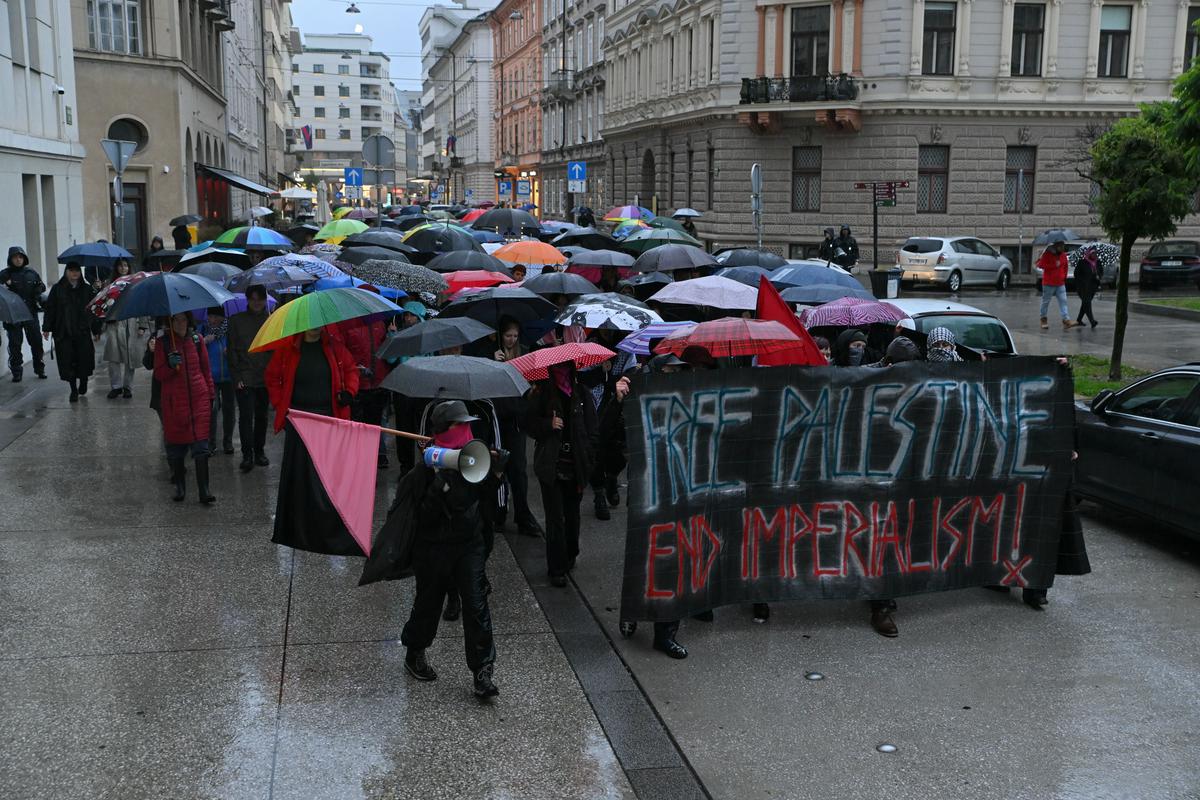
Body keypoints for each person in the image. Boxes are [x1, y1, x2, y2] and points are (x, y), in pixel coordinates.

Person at [399, 400, 501, 699]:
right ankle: (415, 650)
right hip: (434, 547)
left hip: (469, 543)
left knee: (476, 604)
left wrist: (495, 474)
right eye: (460, 425)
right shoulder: (426, 467)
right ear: (445, 430)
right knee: (428, 603)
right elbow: (424, 514)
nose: (467, 430)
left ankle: (483, 671)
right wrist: (439, 483)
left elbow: (485, 502)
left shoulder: (473, 457)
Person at [266, 325, 361, 555]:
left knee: (326, 473)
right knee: (300, 472)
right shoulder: (288, 349)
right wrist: (281, 406)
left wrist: (349, 390)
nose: (315, 327)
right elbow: (272, 377)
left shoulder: (335, 347)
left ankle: (325, 519)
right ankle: (301, 520)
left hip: (328, 417)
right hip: (299, 419)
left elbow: (351, 370)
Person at [525, 361, 599, 587]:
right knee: (555, 518)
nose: (562, 372)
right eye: (557, 368)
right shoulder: (542, 393)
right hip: (552, 465)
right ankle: (556, 567)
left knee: (572, 515)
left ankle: (570, 552)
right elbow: (528, 424)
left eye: (566, 368)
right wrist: (548, 424)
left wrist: (589, 459)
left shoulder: (582, 393)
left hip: (575, 465)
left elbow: (593, 430)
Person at [154, 312, 216, 504]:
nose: (180, 323)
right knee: (177, 447)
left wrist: (211, 394)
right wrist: (171, 366)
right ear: (169, 322)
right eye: (175, 320)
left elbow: (206, 369)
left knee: (201, 446)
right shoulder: (163, 343)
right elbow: (159, 374)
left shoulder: (196, 340)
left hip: (199, 399)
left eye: (183, 319)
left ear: (189, 321)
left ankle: (204, 490)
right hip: (175, 402)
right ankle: (180, 487)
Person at [492, 318, 541, 537]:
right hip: (498, 420)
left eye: (514, 335)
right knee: (498, 468)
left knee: (519, 471)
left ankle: (523, 515)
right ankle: (499, 512)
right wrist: (494, 364)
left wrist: (532, 391)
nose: (511, 340)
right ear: (500, 335)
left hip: (517, 421)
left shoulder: (524, 356)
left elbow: (527, 391)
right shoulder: (492, 355)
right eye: (507, 335)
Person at [227, 286, 273, 472]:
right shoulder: (236, 321)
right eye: (253, 298)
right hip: (244, 377)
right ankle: (247, 455)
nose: (256, 302)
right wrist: (237, 376)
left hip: (265, 377)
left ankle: (259, 451)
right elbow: (231, 351)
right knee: (246, 417)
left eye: (260, 299)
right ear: (247, 299)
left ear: (264, 300)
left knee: (262, 416)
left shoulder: (271, 320)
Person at [42, 262, 99, 402]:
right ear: (66, 272)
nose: (75, 274)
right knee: (67, 361)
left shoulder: (86, 289)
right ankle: (73, 389)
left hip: (82, 331)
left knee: (83, 359)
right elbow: (51, 309)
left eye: (77, 271)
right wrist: (46, 328)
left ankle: (84, 380)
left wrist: (96, 329)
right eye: (71, 271)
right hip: (63, 332)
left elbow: (94, 310)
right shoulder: (57, 289)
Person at [100, 260, 148, 399]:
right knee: (113, 358)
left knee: (130, 358)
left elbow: (142, 304)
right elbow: (102, 305)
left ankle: (128, 386)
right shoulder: (110, 284)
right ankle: (116, 386)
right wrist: (100, 290)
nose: (123, 268)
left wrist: (142, 325)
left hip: (131, 323)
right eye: (120, 265)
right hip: (114, 324)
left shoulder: (135, 284)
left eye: (125, 265)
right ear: (116, 268)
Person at [1, 246, 46, 382]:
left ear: (24, 258)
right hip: (13, 315)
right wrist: (6, 284)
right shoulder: (4, 274)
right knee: (15, 344)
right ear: (11, 259)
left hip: (30, 312)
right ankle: (17, 372)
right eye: (15, 257)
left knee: (36, 342)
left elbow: (41, 286)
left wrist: (38, 293)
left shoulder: (31, 273)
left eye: (20, 257)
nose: (18, 259)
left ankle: (40, 368)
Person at [200, 307, 236, 454]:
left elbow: (239, 349)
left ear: (223, 317)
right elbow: (193, 348)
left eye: (216, 317)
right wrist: (203, 341)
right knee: (212, 410)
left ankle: (228, 442)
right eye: (210, 316)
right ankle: (210, 442)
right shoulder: (202, 330)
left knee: (229, 410)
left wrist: (231, 352)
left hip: (229, 377)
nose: (212, 320)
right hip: (210, 377)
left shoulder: (230, 331)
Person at [1037, 239, 1077, 330]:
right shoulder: (1047, 254)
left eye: (1063, 246)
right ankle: (1043, 319)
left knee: (1063, 301)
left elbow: (1065, 267)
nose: (1063, 248)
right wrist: (1054, 265)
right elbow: (1040, 265)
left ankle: (1066, 320)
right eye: (1061, 246)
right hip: (1048, 283)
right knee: (1046, 302)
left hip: (1060, 283)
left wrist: (1064, 277)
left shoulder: (1063, 255)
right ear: (1056, 246)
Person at [1074, 247, 1100, 329]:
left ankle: (1079, 320)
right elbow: (1076, 274)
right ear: (1088, 253)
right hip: (1083, 287)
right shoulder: (1082, 262)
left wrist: (1098, 276)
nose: (1094, 255)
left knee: (1085, 304)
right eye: (1092, 253)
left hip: (1092, 287)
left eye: (1095, 253)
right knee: (1087, 303)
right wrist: (1082, 281)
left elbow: (1100, 272)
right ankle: (1092, 321)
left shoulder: (1097, 262)